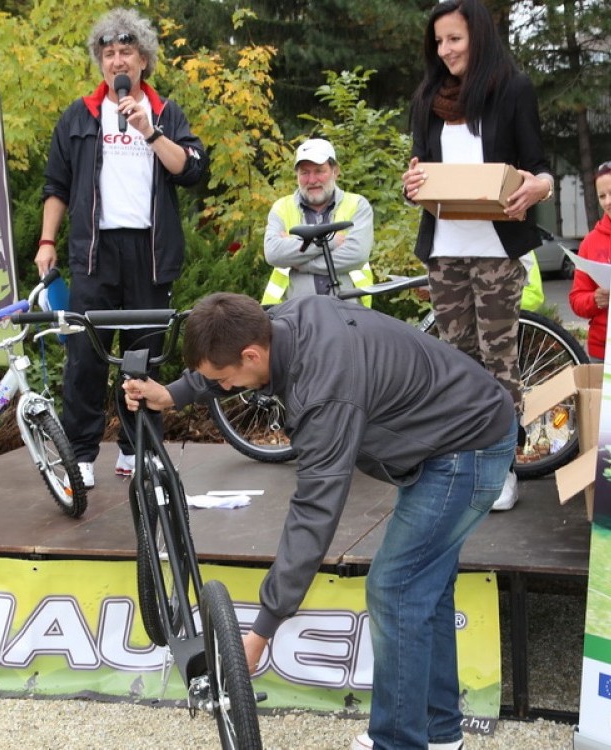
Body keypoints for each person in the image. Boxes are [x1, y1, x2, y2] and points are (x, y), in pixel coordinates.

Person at [123, 291, 517, 750]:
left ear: (252, 353)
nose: (225, 389)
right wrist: (172, 393)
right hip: (459, 430)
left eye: (226, 379)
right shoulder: (287, 319)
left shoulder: (325, 394)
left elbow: (315, 510)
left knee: (394, 588)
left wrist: (263, 628)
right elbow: (224, 368)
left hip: (467, 451)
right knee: (424, 589)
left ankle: (398, 743)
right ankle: (439, 733)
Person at [35, 7, 208, 488]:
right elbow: (57, 185)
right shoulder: (80, 114)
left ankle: (138, 447)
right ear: (100, 64)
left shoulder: (166, 112)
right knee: (85, 356)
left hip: (150, 252)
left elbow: (193, 171)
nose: (117, 62)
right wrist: (47, 241)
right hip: (94, 251)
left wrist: (150, 131)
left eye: (126, 52)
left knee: (143, 356)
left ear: (144, 61)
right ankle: (81, 455)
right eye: (108, 54)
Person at [402, 0, 554, 512]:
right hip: (445, 249)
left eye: (455, 40)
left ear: (479, 38)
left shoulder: (512, 88)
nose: (445, 51)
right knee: (457, 363)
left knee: (497, 361)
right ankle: (466, 465)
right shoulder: (427, 97)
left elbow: (540, 169)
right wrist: (411, 185)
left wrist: (536, 189)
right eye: (439, 42)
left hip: (496, 248)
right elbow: (420, 176)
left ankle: (502, 468)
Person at [262, 138, 374, 305]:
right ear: (297, 176)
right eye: (304, 173)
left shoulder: (358, 205)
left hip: (347, 313)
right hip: (296, 315)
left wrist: (299, 260)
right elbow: (273, 253)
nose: (312, 180)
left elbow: (356, 255)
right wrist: (331, 242)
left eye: (319, 171)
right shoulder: (281, 208)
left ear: (335, 171)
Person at [569, 161, 611, 363]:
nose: (607, 202)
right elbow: (576, 299)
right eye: (602, 196)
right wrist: (595, 300)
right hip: (602, 351)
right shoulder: (590, 242)